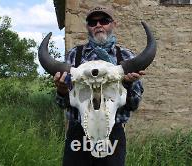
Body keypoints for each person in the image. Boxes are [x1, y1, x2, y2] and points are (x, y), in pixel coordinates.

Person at [54, 6, 145, 166]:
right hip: (78, 135)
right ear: (88, 26)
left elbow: (134, 104)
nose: (98, 25)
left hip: (113, 134)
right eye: (92, 22)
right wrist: (62, 90)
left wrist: (127, 84)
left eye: (104, 21)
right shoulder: (75, 55)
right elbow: (63, 103)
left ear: (113, 24)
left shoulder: (125, 56)